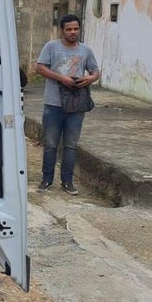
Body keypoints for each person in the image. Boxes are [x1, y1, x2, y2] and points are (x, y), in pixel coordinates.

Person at [34, 14, 100, 195]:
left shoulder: (86, 51)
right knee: (51, 144)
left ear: (80, 29)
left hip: (76, 105)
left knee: (71, 145)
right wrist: (61, 78)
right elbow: (39, 68)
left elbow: (95, 71)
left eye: (76, 29)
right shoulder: (51, 47)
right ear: (62, 30)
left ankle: (67, 181)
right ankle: (47, 180)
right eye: (69, 29)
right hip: (53, 104)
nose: (72, 32)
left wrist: (89, 78)